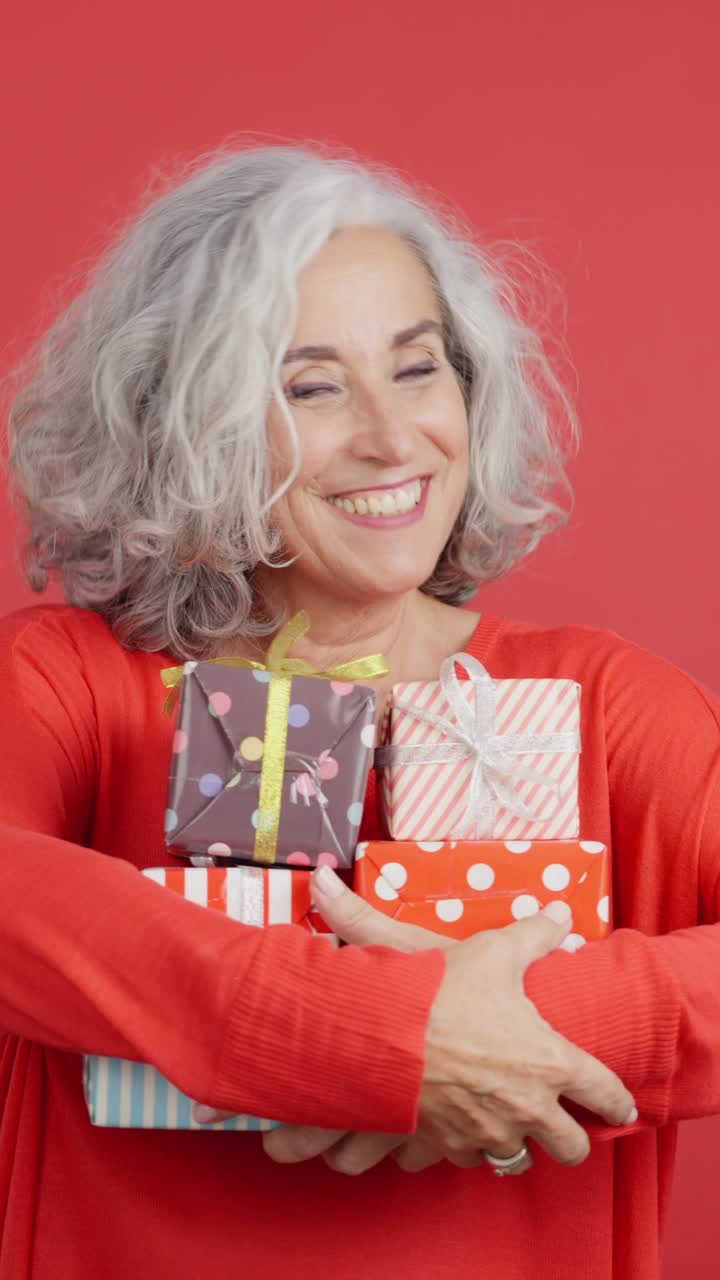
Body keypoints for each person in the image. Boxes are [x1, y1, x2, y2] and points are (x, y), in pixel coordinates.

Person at [1, 144, 717, 1280]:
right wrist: (360, 1035)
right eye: (310, 386)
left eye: (417, 367)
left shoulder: (608, 709)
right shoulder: (73, 688)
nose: (390, 437)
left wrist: (512, 1029)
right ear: (184, 420)